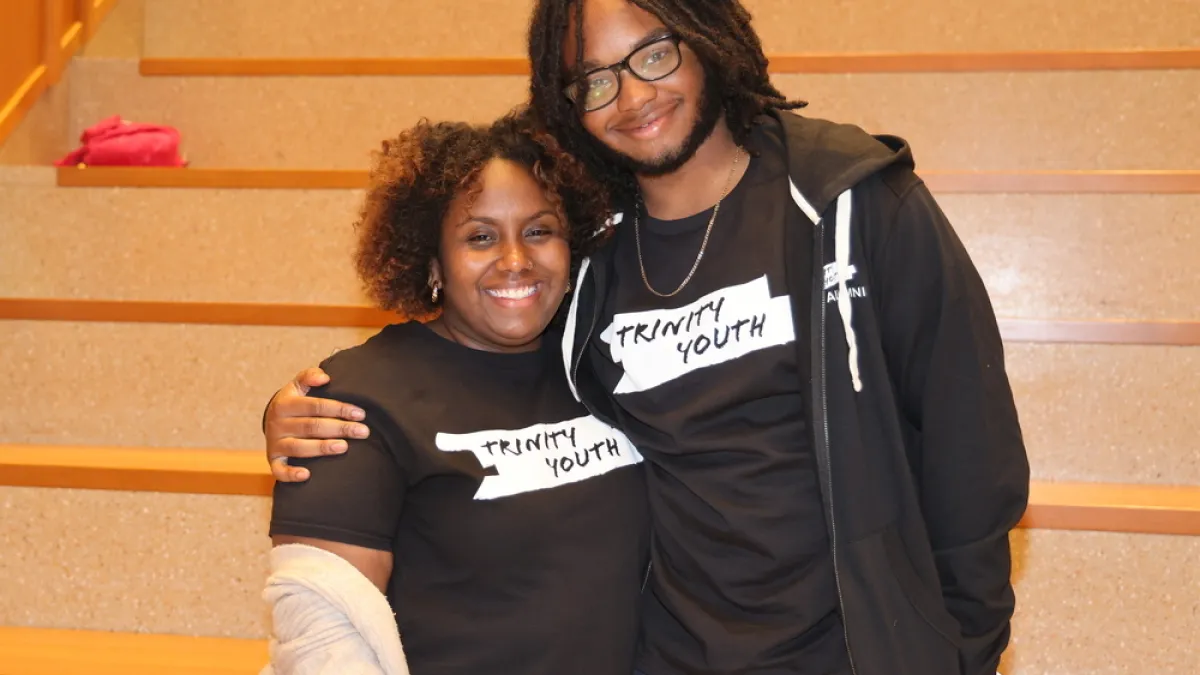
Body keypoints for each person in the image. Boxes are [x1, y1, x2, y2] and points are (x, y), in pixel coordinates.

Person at [263, 2, 1031, 674]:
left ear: (706, 36)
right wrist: (290, 408)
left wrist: (959, 652)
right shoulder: (591, 257)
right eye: (594, 79)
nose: (631, 96)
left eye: (653, 54)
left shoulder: (850, 203)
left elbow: (973, 456)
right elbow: (473, 353)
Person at [264, 111, 649, 674]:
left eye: (540, 231)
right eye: (480, 237)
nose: (516, 260)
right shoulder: (357, 401)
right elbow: (326, 645)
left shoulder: (602, 364)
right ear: (433, 263)